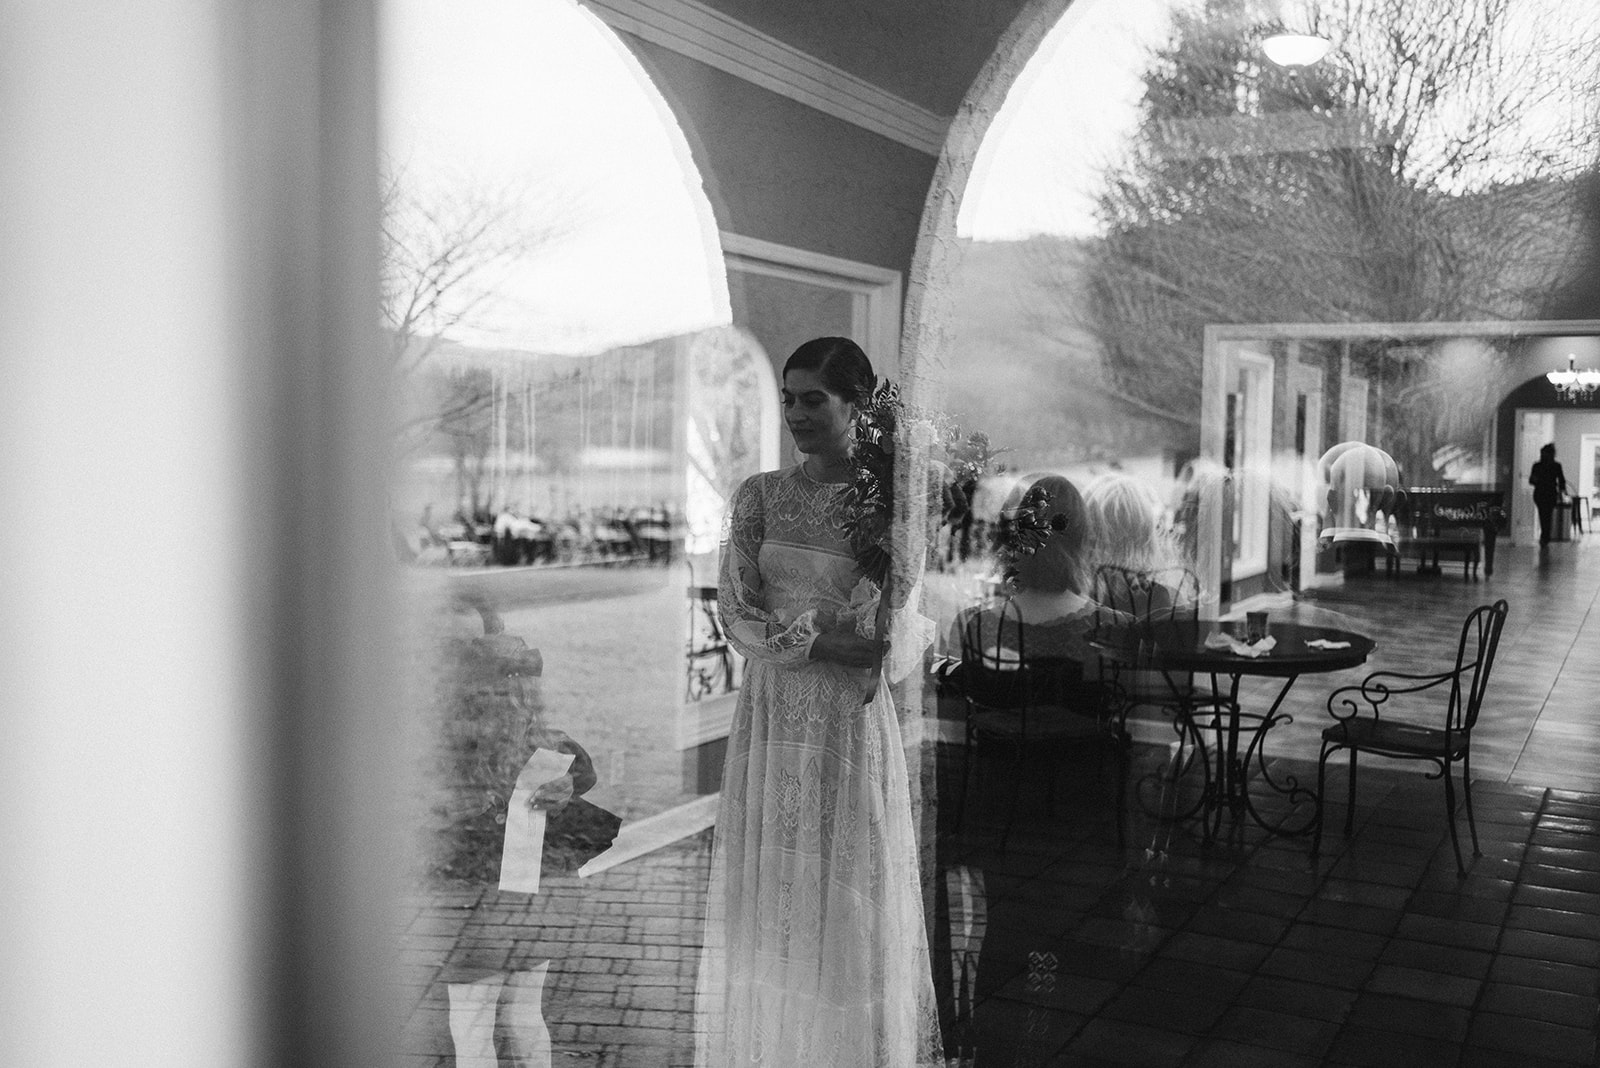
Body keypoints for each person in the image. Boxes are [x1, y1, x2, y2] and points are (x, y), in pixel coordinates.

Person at [695, 337, 940, 1068]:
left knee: (842, 896)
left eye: (814, 399)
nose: (797, 413)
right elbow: (735, 612)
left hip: (842, 722)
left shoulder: (891, 509)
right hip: (771, 716)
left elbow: (875, 634)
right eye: (789, 396)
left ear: (858, 405)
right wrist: (813, 642)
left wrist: (828, 639)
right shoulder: (760, 496)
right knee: (772, 893)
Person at [1530, 443, 1568, 546]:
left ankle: (1545, 536)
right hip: (1547, 493)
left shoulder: (1538, 466)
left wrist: (1561, 491)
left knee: (1544, 515)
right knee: (1546, 515)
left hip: (1543, 493)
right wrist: (1562, 491)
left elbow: (1561, 481)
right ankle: (1545, 536)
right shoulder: (1555, 466)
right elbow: (1561, 481)